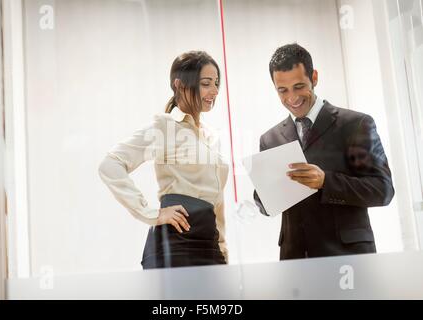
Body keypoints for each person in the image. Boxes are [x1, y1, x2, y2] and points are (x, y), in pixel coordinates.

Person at [254, 43, 395, 260]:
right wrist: (264, 194)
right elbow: (265, 205)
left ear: (315, 77)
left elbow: (383, 190)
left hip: (348, 258)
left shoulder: (356, 124)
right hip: (295, 259)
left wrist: (326, 182)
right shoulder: (269, 139)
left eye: (299, 86)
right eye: (282, 90)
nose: (292, 98)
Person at [99, 51, 228, 269]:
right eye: (206, 83)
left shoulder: (212, 137)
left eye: (216, 83)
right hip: (175, 241)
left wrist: (223, 250)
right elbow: (110, 165)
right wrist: (152, 214)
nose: (214, 91)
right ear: (179, 85)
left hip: (209, 242)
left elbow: (217, 202)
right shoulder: (165, 127)